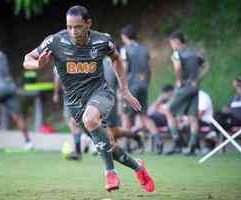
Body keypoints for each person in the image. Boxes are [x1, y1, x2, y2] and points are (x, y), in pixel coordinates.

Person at [23, 5, 154, 192]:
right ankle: (139, 168)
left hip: (101, 93)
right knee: (108, 145)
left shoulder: (102, 41)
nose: (73, 31)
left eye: (77, 27)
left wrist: (124, 89)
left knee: (90, 119)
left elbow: (117, 59)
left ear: (88, 24)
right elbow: (27, 58)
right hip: (75, 103)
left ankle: (110, 173)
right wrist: (37, 64)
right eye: (69, 27)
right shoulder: (55, 41)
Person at [164, 31, 210, 155]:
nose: (171, 46)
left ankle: (177, 143)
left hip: (184, 87)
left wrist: (179, 81)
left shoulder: (176, 54)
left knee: (168, 110)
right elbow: (206, 66)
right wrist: (198, 79)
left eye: (171, 43)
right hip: (195, 87)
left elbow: (178, 68)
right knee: (192, 117)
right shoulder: (195, 54)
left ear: (176, 41)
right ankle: (193, 146)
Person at [120, 25, 163, 154]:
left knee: (126, 115)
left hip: (131, 86)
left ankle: (126, 145)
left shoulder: (124, 49)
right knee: (143, 115)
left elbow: (125, 68)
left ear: (125, 37)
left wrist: (122, 85)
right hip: (143, 85)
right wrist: (146, 83)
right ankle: (159, 141)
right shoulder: (144, 49)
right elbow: (149, 69)